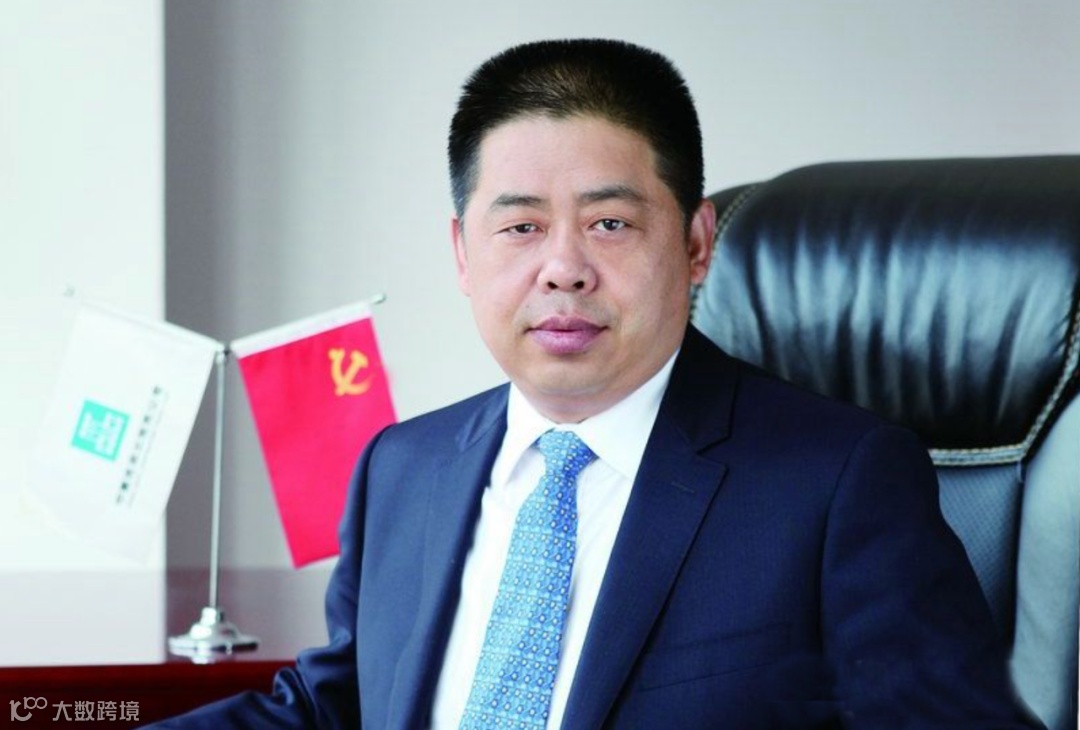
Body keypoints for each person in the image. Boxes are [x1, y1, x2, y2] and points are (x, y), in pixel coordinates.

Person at [148, 39, 1042, 729]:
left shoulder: (838, 484)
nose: (564, 268)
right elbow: (335, 708)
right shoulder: (403, 467)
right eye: (521, 227)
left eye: (610, 223)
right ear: (462, 253)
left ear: (696, 244)